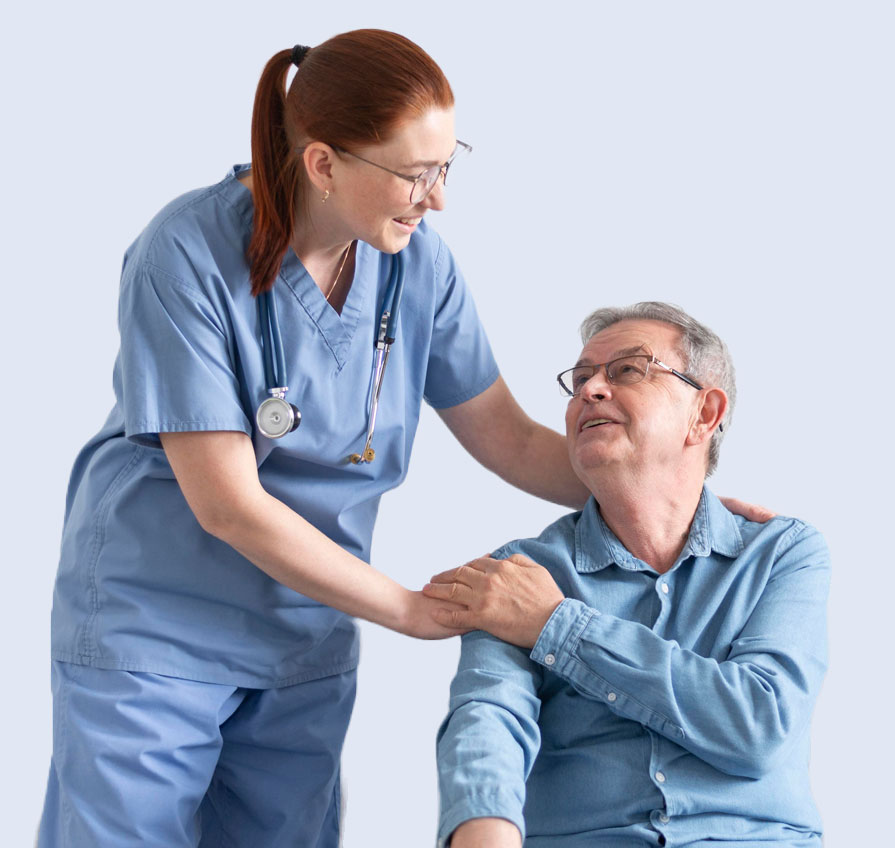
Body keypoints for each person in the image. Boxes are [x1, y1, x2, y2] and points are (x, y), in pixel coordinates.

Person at [39, 30, 592, 848]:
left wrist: (681, 499)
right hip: (156, 628)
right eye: (415, 174)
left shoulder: (417, 266)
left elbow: (509, 438)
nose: (437, 199)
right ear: (324, 164)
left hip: (303, 634)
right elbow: (229, 506)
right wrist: (407, 609)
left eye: (447, 166)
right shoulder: (185, 254)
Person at [430, 302, 830, 847]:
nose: (591, 390)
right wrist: (483, 832)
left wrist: (556, 625)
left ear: (704, 414)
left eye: (627, 370)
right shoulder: (519, 574)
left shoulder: (782, 553)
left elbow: (759, 725)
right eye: (579, 380)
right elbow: (487, 722)